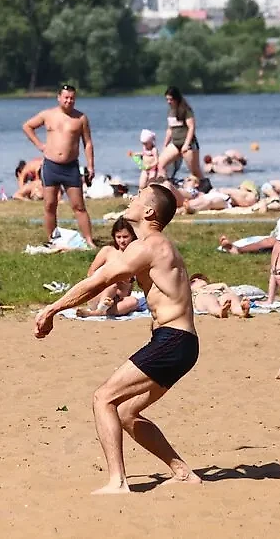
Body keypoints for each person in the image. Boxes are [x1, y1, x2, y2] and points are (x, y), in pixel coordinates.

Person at [34, 185, 202, 494]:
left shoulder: (149, 245)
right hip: (182, 343)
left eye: (138, 196)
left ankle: (118, 482)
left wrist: (53, 308)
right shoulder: (156, 246)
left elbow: (98, 281)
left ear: (149, 212)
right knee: (125, 412)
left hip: (173, 340)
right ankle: (182, 472)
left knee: (104, 398)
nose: (132, 198)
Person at [22, 85, 96, 247]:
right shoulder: (48, 115)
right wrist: (40, 145)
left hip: (70, 167)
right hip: (51, 166)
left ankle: (89, 240)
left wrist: (90, 165)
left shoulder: (80, 118)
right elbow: (27, 126)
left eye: (72, 98)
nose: (69, 101)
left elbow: (88, 143)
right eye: (66, 97)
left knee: (78, 206)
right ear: (59, 98)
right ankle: (51, 239)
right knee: (49, 205)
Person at [76, 217, 141, 317]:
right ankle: (99, 310)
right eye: (118, 237)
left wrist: (129, 279)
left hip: (117, 300)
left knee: (134, 302)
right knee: (112, 282)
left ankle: (98, 313)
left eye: (125, 237)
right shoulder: (108, 251)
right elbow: (91, 273)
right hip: (100, 294)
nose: (122, 241)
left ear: (132, 236)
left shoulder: (136, 255)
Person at [157, 87, 203, 180]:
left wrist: (186, 144)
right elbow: (170, 129)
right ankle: (165, 187)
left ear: (176, 98)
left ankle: (206, 188)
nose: (169, 102)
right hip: (175, 144)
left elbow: (191, 127)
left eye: (171, 99)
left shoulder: (186, 110)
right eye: (167, 99)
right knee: (161, 164)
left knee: (195, 171)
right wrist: (165, 144)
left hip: (189, 145)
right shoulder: (170, 111)